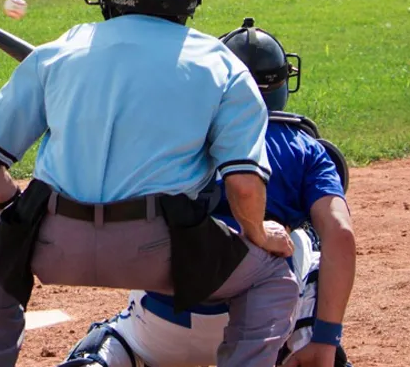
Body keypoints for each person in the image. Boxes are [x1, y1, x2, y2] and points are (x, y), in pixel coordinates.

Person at [0, 0, 299, 367]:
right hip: (165, 253)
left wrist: (9, 205)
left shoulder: (61, 49)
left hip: (54, 244)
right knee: (270, 276)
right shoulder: (222, 63)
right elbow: (244, 185)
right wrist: (261, 234)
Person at [59, 18, 356, 367]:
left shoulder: (173, 136)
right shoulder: (306, 150)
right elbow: (342, 234)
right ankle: (312, 344)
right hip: (266, 328)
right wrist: (327, 336)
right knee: (310, 237)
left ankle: (103, 359)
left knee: (116, 331)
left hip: (165, 320)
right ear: (283, 83)